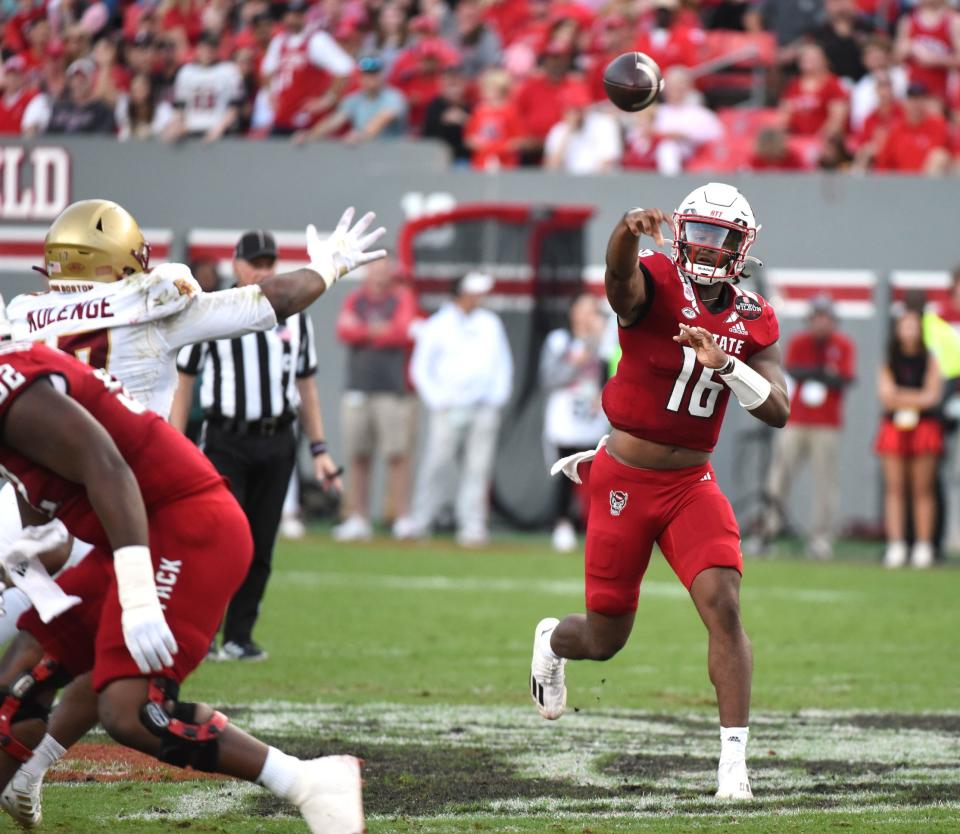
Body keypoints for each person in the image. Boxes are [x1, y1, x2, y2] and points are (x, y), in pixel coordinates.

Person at [0, 199, 386, 827]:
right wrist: (327, 268)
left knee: (118, 692)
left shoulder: (19, 327)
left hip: (138, 510)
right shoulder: (150, 300)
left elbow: (86, 461)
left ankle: (307, 782)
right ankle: (30, 771)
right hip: (118, 508)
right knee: (49, 669)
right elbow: (268, 303)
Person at [529, 183, 790, 801]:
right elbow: (619, 284)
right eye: (695, 231)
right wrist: (624, 230)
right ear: (678, 233)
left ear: (740, 247)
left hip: (691, 482)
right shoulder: (655, 279)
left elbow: (778, 409)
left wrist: (725, 365)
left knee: (723, 605)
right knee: (604, 638)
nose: (702, 246)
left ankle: (733, 769)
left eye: (717, 237)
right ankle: (551, 642)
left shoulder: (754, 317)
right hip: (625, 477)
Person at [171, 230, 344, 660]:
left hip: (279, 439)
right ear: (237, 264)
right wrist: (174, 444)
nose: (263, 271)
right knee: (219, 540)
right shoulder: (212, 310)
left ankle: (239, 636)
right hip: (227, 438)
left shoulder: (295, 315)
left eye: (270, 263)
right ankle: (204, 633)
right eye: (256, 263)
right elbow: (184, 382)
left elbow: (307, 384)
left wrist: (319, 449)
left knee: (261, 542)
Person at [407, 272, 514, 547]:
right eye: (475, 292)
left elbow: (503, 364)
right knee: (437, 462)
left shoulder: (490, 324)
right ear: (462, 293)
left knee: (478, 467)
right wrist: (439, 400)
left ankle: (473, 525)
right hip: (447, 408)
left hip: (483, 408)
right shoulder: (437, 325)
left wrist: (495, 399)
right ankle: (421, 520)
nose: (480, 297)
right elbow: (420, 369)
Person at [760, 295, 856, 559]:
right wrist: (822, 373)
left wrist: (819, 374)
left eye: (826, 319)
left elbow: (845, 379)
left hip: (827, 424)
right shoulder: (799, 343)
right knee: (779, 475)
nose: (821, 324)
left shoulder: (843, 345)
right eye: (817, 319)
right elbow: (792, 369)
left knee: (826, 481)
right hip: (797, 420)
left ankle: (821, 537)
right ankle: (769, 529)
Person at [333, 254, 419, 542]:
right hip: (359, 388)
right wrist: (375, 330)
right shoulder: (356, 299)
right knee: (358, 455)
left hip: (392, 390)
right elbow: (343, 330)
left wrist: (365, 331)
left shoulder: (402, 297)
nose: (380, 274)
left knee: (397, 455)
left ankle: (402, 517)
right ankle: (358, 517)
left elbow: (401, 332)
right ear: (366, 271)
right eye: (375, 268)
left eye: (385, 268)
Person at [540, 293, 609, 553]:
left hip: (594, 418)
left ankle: (596, 527)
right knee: (565, 472)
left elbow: (615, 370)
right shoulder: (560, 341)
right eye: (585, 310)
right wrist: (582, 355)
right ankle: (562, 525)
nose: (591, 316)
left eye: (594, 311)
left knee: (597, 474)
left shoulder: (608, 342)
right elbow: (549, 377)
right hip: (565, 417)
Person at [875, 306, 944, 569]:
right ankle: (897, 544)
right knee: (895, 488)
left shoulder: (930, 359)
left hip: (924, 428)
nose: (909, 330)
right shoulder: (890, 359)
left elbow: (932, 395)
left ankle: (923, 545)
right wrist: (913, 399)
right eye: (905, 325)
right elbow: (885, 395)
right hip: (894, 428)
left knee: (922, 489)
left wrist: (902, 398)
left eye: (914, 325)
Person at [260, 0, 354, 136]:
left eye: (298, 15)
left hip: (307, 120)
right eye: (290, 15)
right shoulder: (279, 41)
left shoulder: (316, 40)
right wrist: (270, 94)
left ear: (305, 16)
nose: (292, 19)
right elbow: (267, 70)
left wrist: (327, 100)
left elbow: (344, 69)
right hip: (282, 116)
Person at [296, 54, 408, 144]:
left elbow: (382, 119)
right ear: (361, 77)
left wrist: (361, 135)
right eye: (366, 74)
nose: (370, 78)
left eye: (374, 74)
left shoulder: (394, 97)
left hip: (391, 153)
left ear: (382, 75)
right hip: (364, 151)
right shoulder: (354, 99)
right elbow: (334, 121)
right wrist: (310, 136)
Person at [164, 31, 244, 142]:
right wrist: (177, 125)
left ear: (217, 49)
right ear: (198, 48)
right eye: (204, 47)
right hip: (191, 130)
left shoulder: (229, 71)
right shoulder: (186, 72)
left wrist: (219, 129)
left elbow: (234, 107)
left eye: (211, 48)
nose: (207, 52)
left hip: (219, 130)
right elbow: (180, 106)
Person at [543, 87, 622, 175]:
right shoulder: (559, 130)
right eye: (572, 109)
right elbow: (551, 166)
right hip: (568, 182)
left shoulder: (604, 123)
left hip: (599, 182)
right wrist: (569, 131)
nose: (577, 114)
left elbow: (607, 162)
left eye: (580, 108)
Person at [44, 57, 116, 135]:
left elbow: (101, 139)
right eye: (74, 79)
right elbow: (49, 137)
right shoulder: (60, 107)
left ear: (92, 81)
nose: (77, 83)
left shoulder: (102, 110)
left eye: (83, 79)